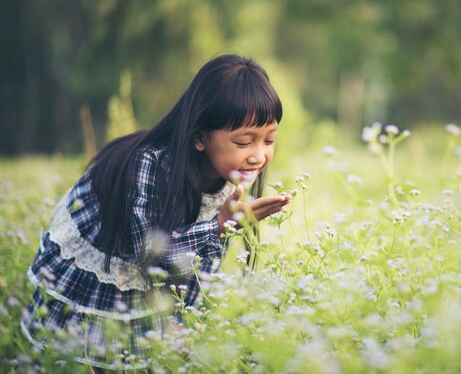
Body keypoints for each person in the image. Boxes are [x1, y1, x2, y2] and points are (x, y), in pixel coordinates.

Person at [20, 54, 292, 370]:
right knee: (97, 345)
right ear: (200, 138)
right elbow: (149, 255)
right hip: (108, 245)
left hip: (156, 256)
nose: (259, 156)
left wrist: (184, 324)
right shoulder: (149, 165)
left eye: (269, 139)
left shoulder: (230, 178)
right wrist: (220, 225)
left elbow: (197, 265)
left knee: (155, 352)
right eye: (245, 141)